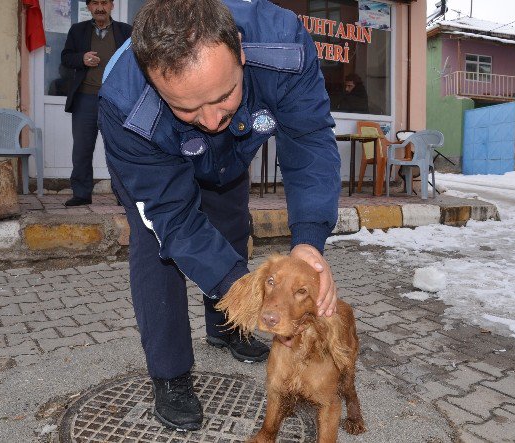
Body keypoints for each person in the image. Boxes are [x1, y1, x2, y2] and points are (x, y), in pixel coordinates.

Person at [98, 0, 341, 431]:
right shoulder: (126, 103)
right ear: (155, 84)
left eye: (223, 95)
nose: (211, 121)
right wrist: (242, 288)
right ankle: (170, 373)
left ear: (242, 53)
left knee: (230, 219)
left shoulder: (284, 47)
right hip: (157, 157)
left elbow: (308, 142)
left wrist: (309, 242)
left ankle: (226, 326)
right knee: (159, 248)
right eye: (189, 108)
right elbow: (172, 216)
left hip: (234, 149)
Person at [60, 0, 131, 206]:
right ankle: (81, 194)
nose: (100, 8)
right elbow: (66, 58)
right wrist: (81, 58)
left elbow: (135, 59)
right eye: (95, 3)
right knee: (82, 148)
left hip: (115, 99)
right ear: (89, 7)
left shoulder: (126, 31)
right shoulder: (78, 30)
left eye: (104, 3)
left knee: (118, 148)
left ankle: (123, 195)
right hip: (85, 98)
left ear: (111, 6)